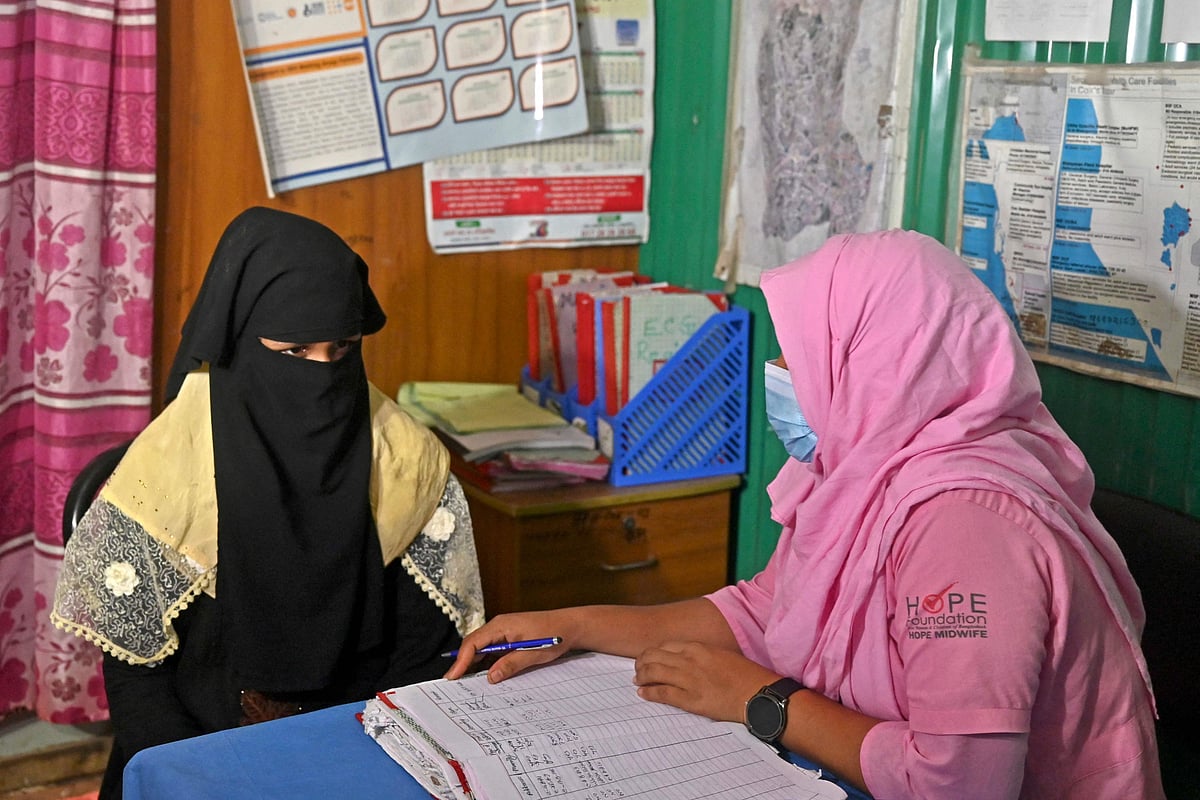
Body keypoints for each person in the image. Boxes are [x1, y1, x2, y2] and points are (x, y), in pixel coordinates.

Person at [445, 229, 1164, 799]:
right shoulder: (865, 471)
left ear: (880, 364)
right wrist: (576, 625)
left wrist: (762, 700)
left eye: (806, 351)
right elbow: (764, 610)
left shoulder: (967, 524)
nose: (784, 371)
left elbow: (962, 783)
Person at [52, 207, 485, 799]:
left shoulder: (404, 459)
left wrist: (354, 756)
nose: (322, 375)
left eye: (343, 351)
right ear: (241, 343)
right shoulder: (169, 471)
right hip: (196, 750)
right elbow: (137, 678)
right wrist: (203, 776)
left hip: (358, 741)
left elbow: (422, 653)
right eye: (292, 353)